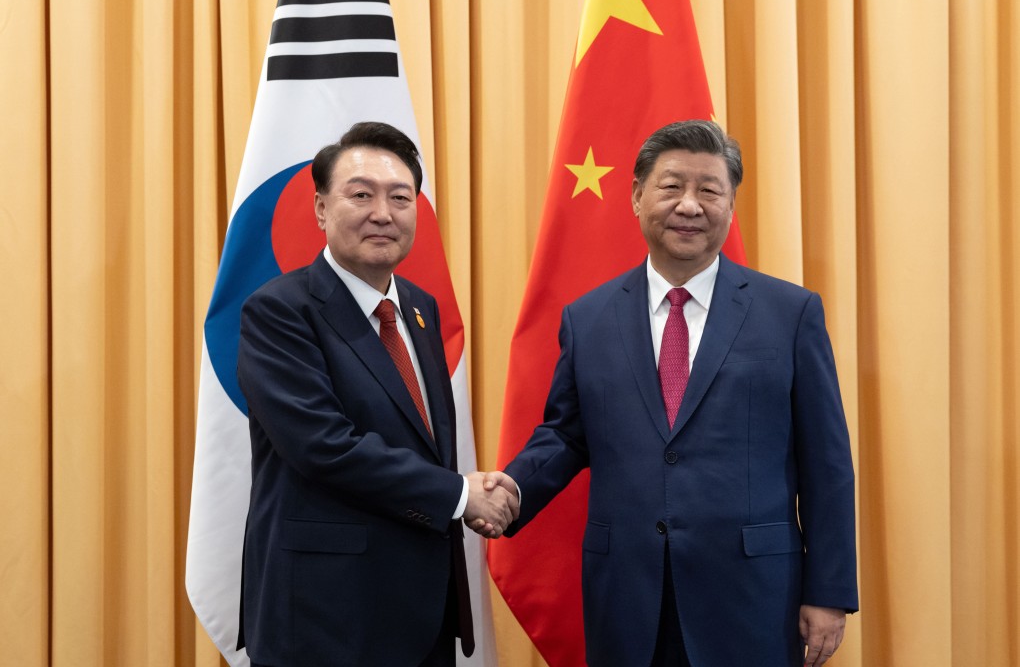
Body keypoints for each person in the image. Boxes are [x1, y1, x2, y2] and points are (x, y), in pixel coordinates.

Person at [479, 120, 858, 666]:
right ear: (637, 196)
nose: (689, 205)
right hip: (628, 597)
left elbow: (827, 461)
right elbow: (566, 434)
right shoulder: (588, 319)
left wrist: (829, 591)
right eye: (672, 186)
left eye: (709, 190)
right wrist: (513, 489)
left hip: (752, 598)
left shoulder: (790, 314)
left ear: (731, 204)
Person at [236, 121, 518, 667]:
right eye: (361, 195)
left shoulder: (420, 308)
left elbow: (421, 444)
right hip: (325, 616)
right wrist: (461, 496)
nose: (383, 214)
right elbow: (324, 447)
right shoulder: (279, 312)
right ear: (321, 209)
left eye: (400, 198)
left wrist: (466, 493)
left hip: (421, 611)